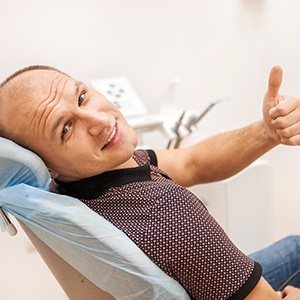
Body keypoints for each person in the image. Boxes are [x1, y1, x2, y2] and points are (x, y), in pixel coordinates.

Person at [0, 64, 299, 299]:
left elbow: (191, 162)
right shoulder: (170, 214)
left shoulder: (75, 186)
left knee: (294, 247)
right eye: (66, 129)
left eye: (81, 97)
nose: (101, 121)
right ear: (45, 164)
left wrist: (267, 132)